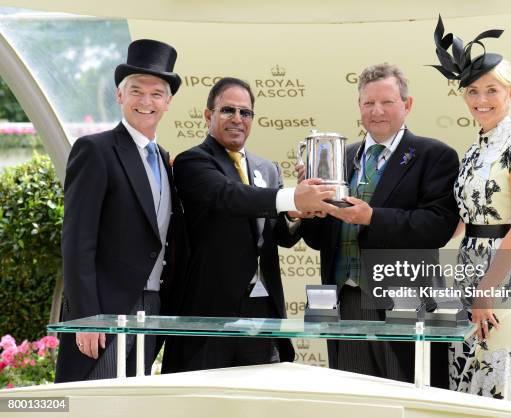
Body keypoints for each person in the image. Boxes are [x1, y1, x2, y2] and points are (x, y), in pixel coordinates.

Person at [299, 63, 460, 387]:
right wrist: (306, 204)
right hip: (345, 300)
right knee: (357, 401)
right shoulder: (341, 158)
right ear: (359, 107)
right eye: (369, 103)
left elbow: (439, 225)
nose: (377, 111)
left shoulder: (434, 155)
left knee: (410, 397)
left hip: (406, 302)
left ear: (407, 105)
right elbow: (319, 239)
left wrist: (372, 217)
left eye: (387, 102)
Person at [161, 77, 336, 373]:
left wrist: (296, 212)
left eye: (245, 112)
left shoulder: (268, 168)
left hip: (263, 310)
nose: (237, 119)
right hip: (210, 312)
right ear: (208, 115)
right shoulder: (192, 162)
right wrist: (293, 196)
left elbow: (281, 235)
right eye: (228, 110)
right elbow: (229, 197)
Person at [430, 16, 511, 406]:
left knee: (504, 376)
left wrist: (487, 289)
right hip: (471, 269)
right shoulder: (476, 148)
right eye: (472, 91)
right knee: (470, 379)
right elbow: (465, 220)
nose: (480, 99)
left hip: (505, 278)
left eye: (491, 90)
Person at [55, 39, 187, 382]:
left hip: (154, 305)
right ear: (119, 96)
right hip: (106, 308)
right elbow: (76, 240)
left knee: (131, 403)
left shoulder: (165, 159)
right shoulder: (95, 151)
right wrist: (87, 317)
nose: (146, 101)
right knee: (98, 402)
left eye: (157, 93)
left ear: (168, 102)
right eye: (136, 91)